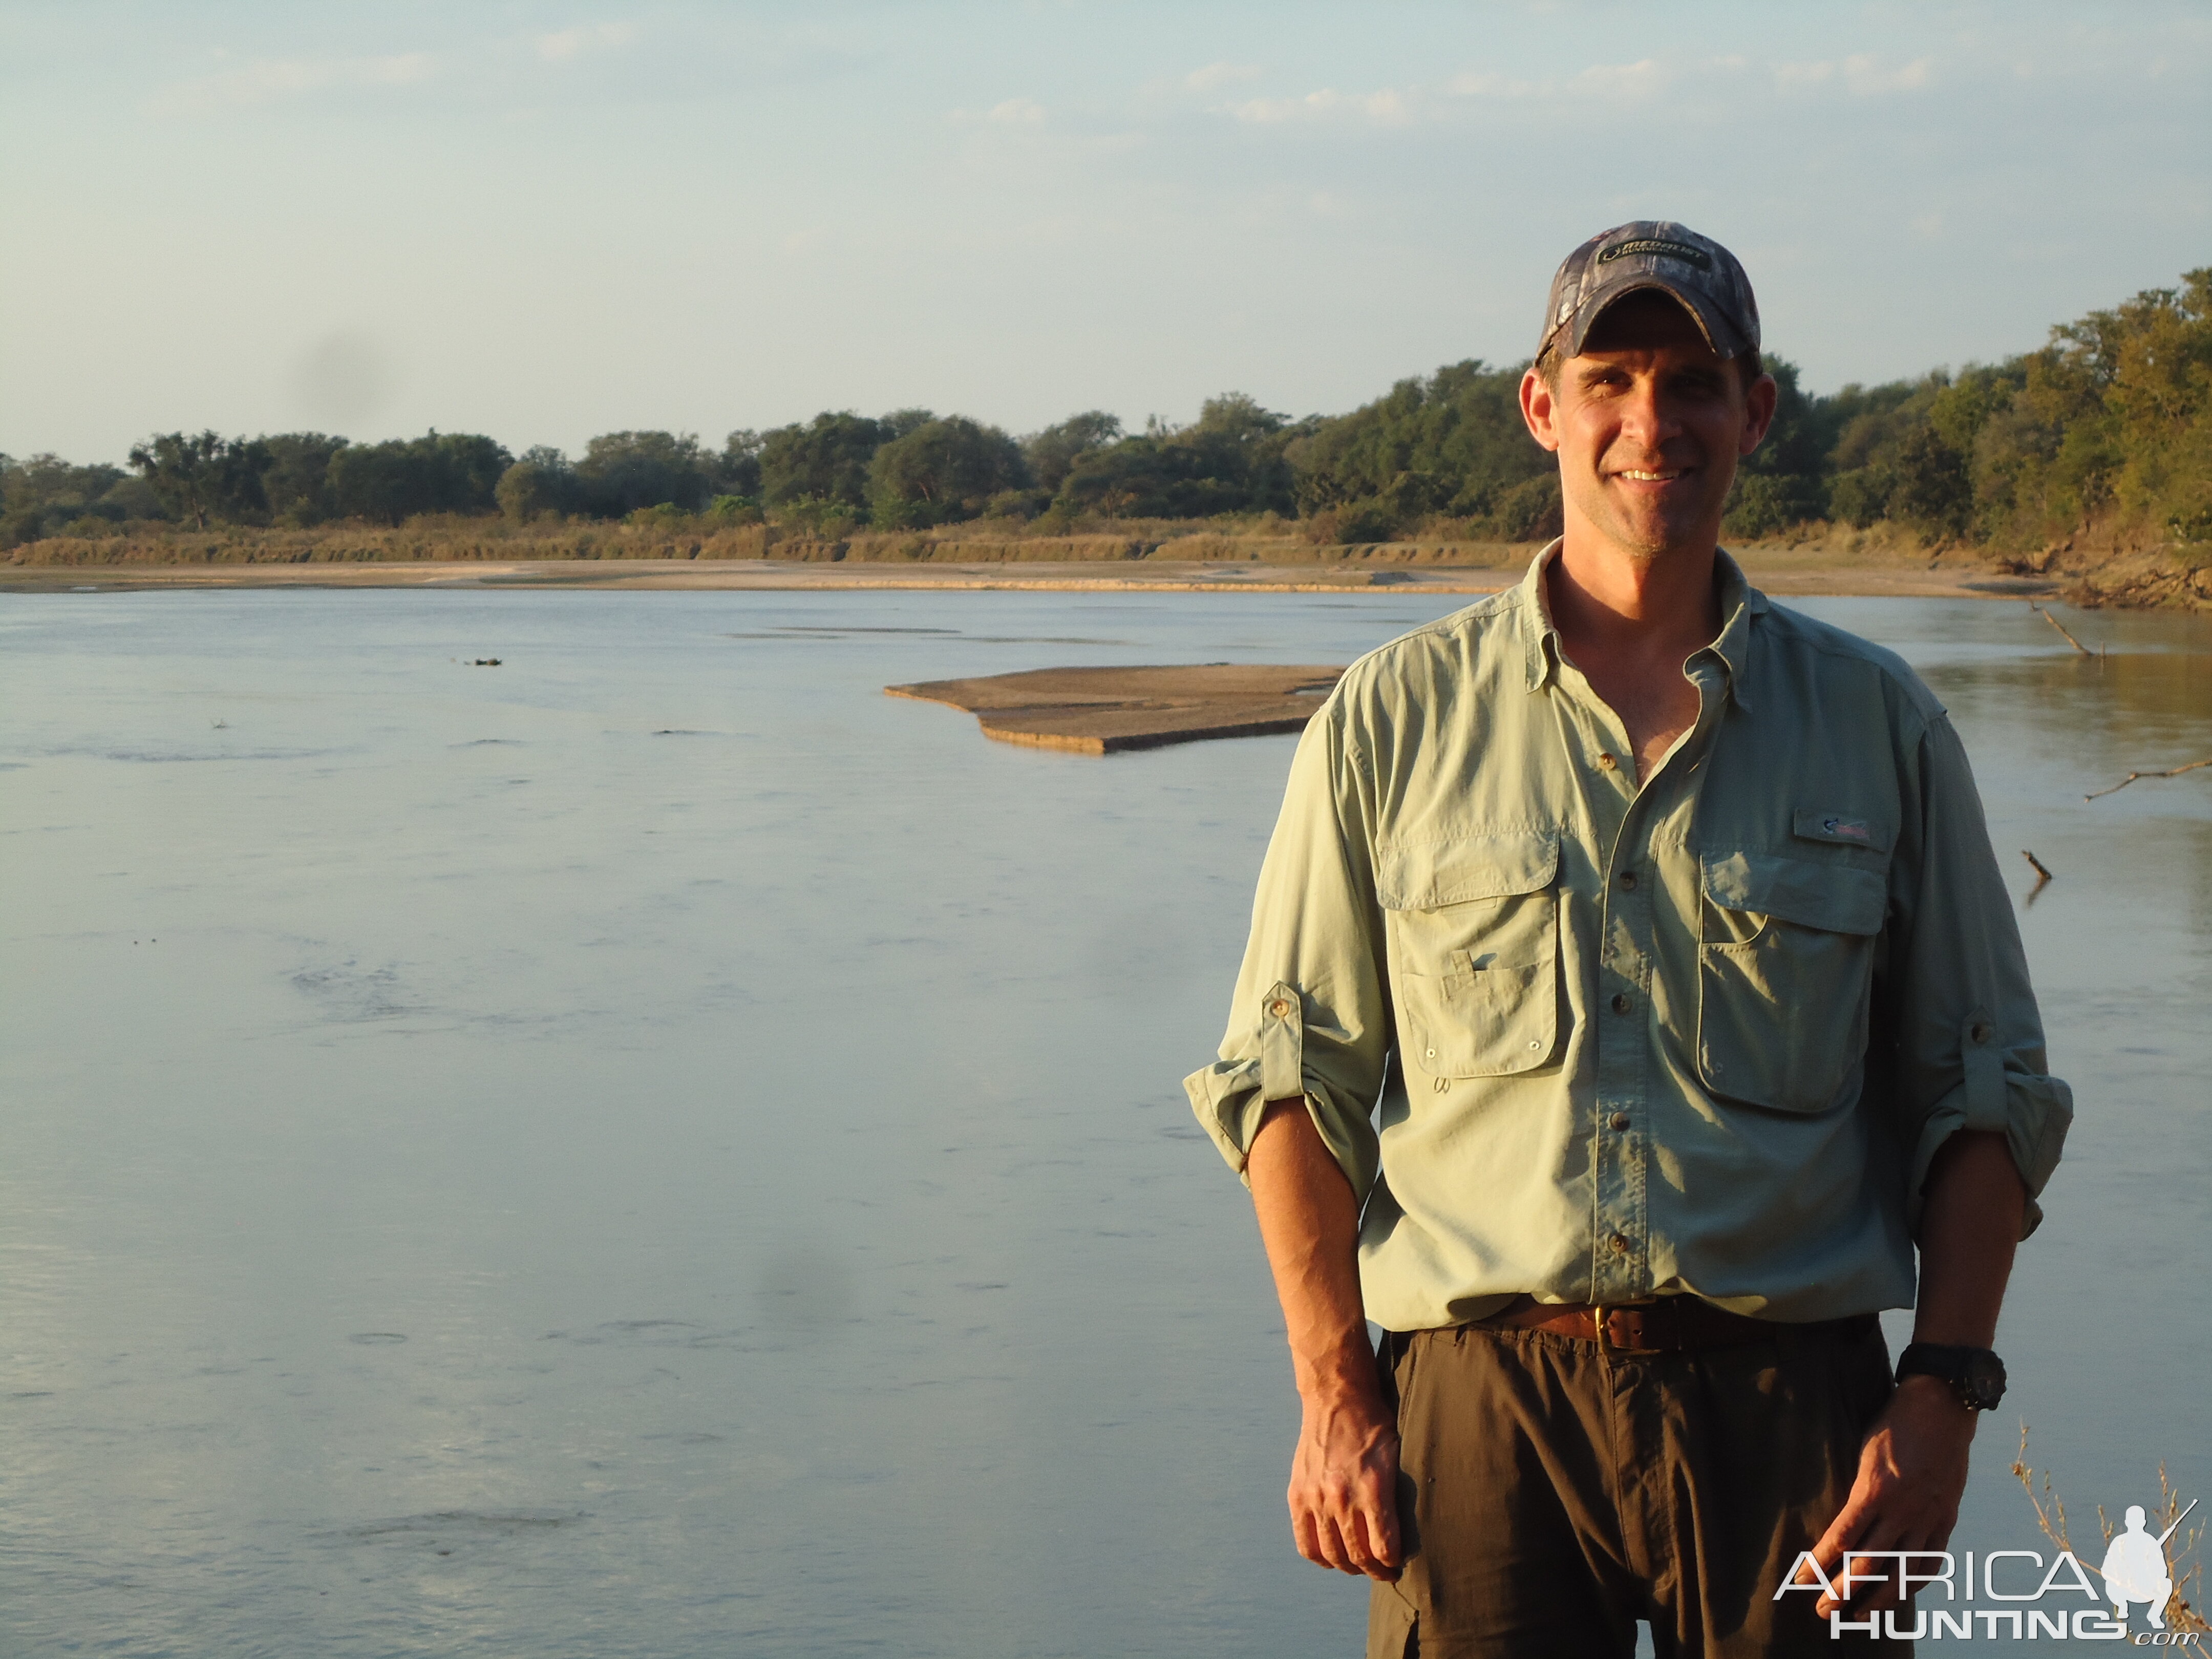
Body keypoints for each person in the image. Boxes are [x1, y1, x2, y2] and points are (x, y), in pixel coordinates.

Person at [1183, 221, 2072, 1657]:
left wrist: (1942, 1396)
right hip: (1482, 1418)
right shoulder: (1391, 720)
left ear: (1755, 413)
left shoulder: (1878, 725)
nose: (1650, 423)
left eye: (1693, 381)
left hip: (1795, 1423)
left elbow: (1984, 1094)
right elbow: (1292, 1085)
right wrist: (1336, 1396)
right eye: (1611, 378)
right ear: (1545, 407)